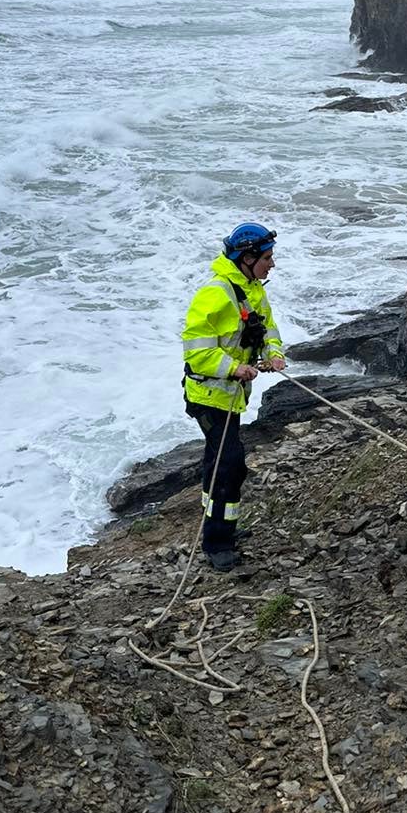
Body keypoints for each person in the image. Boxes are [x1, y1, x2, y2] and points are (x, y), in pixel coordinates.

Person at [181, 223, 286, 570]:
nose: (271, 264)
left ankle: (222, 529)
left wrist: (274, 353)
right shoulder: (216, 293)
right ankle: (217, 544)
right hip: (210, 397)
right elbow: (197, 352)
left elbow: (267, 326)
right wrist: (234, 368)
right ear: (247, 257)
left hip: (230, 397)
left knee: (222, 466)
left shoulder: (252, 288)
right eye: (267, 258)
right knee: (228, 466)